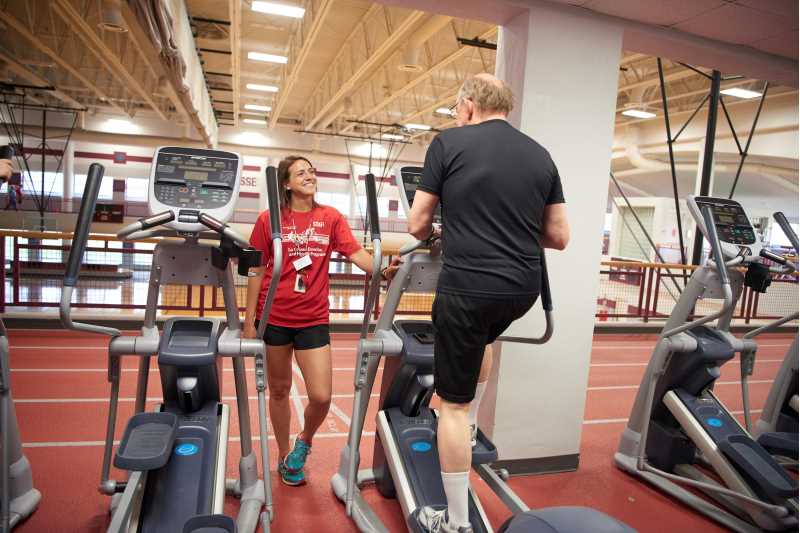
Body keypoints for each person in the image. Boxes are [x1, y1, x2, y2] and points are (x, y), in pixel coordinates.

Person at [408, 74, 570, 533]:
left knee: (450, 407)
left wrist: (456, 225)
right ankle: (474, 422)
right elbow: (558, 236)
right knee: (485, 337)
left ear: (468, 105)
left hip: (469, 286)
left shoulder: (449, 143)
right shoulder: (540, 154)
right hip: (521, 290)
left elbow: (419, 222)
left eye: (459, 108)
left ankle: (455, 522)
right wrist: (510, 229)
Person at [244, 155, 397, 486]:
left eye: (312, 171)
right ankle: (285, 455)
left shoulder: (330, 218)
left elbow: (358, 255)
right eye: (301, 172)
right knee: (280, 390)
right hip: (274, 317)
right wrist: (249, 321)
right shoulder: (269, 219)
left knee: (322, 396)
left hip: (312, 318)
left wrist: (384, 271)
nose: (310, 175)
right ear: (286, 183)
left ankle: (305, 441)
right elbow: (256, 269)